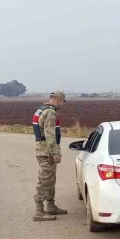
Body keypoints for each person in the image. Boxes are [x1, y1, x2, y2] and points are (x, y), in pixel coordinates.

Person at [32, 90, 68, 221]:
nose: (62, 104)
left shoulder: (43, 109)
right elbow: (50, 135)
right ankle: (39, 212)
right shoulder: (50, 113)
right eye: (62, 101)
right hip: (46, 151)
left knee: (50, 179)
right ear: (58, 100)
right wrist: (55, 153)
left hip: (43, 150)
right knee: (45, 180)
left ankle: (51, 206)